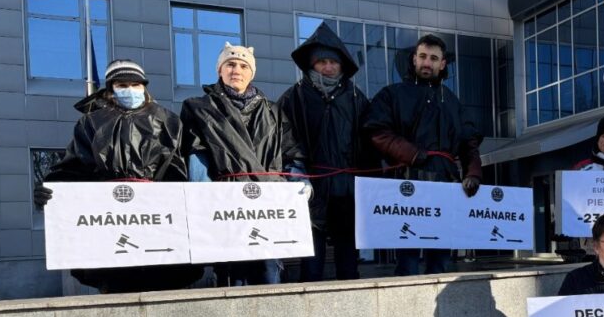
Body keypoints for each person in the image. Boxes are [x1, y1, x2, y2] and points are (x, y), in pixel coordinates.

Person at [33, 59, 203, 294]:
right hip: (110, 217)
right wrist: (52, 190)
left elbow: (184, 168)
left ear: (144, 87)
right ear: (111, 88)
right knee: (117, 284)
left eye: (135, 84)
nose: (130, 90)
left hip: (158, 216)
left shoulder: (168, 120)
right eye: (122, 85)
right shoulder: (92, 122)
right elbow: (75, 166)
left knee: (163, 280)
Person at [364, 34, 483, 276]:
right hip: (406, 182)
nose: (427, 62)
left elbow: (469, 144)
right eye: (422, 56)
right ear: (414, 59)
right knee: (407, 257)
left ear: (443, 64)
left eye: (433, 58)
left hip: (445, 185)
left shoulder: (453, 102)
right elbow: (376, 131)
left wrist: (473, 174)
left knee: (440, 258)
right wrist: (412, 154)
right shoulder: (393, 94)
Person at [180, 42, 287, 286]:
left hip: (268, 201)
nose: (236, 70)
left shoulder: (273, 111)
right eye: (230, 64)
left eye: (243, 65)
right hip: (226, 199)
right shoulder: (199, 107)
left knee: (269, 270)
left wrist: (296, 181)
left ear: (251, 73)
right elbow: (196, 151)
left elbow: (289, 151)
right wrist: (202, 192)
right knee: (233, 273)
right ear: (220, 70)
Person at [278, 22, 373, 281]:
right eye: (322, 62)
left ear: (342, 65)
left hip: (347, 189)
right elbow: (283, 138)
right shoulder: (293, 97)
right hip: (311, 188)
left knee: (348, 261)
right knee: (311, 261)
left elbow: (368, 142)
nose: (328, 67)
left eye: (333, 62)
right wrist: (296, 171)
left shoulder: (356, 97)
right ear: (312, 64)